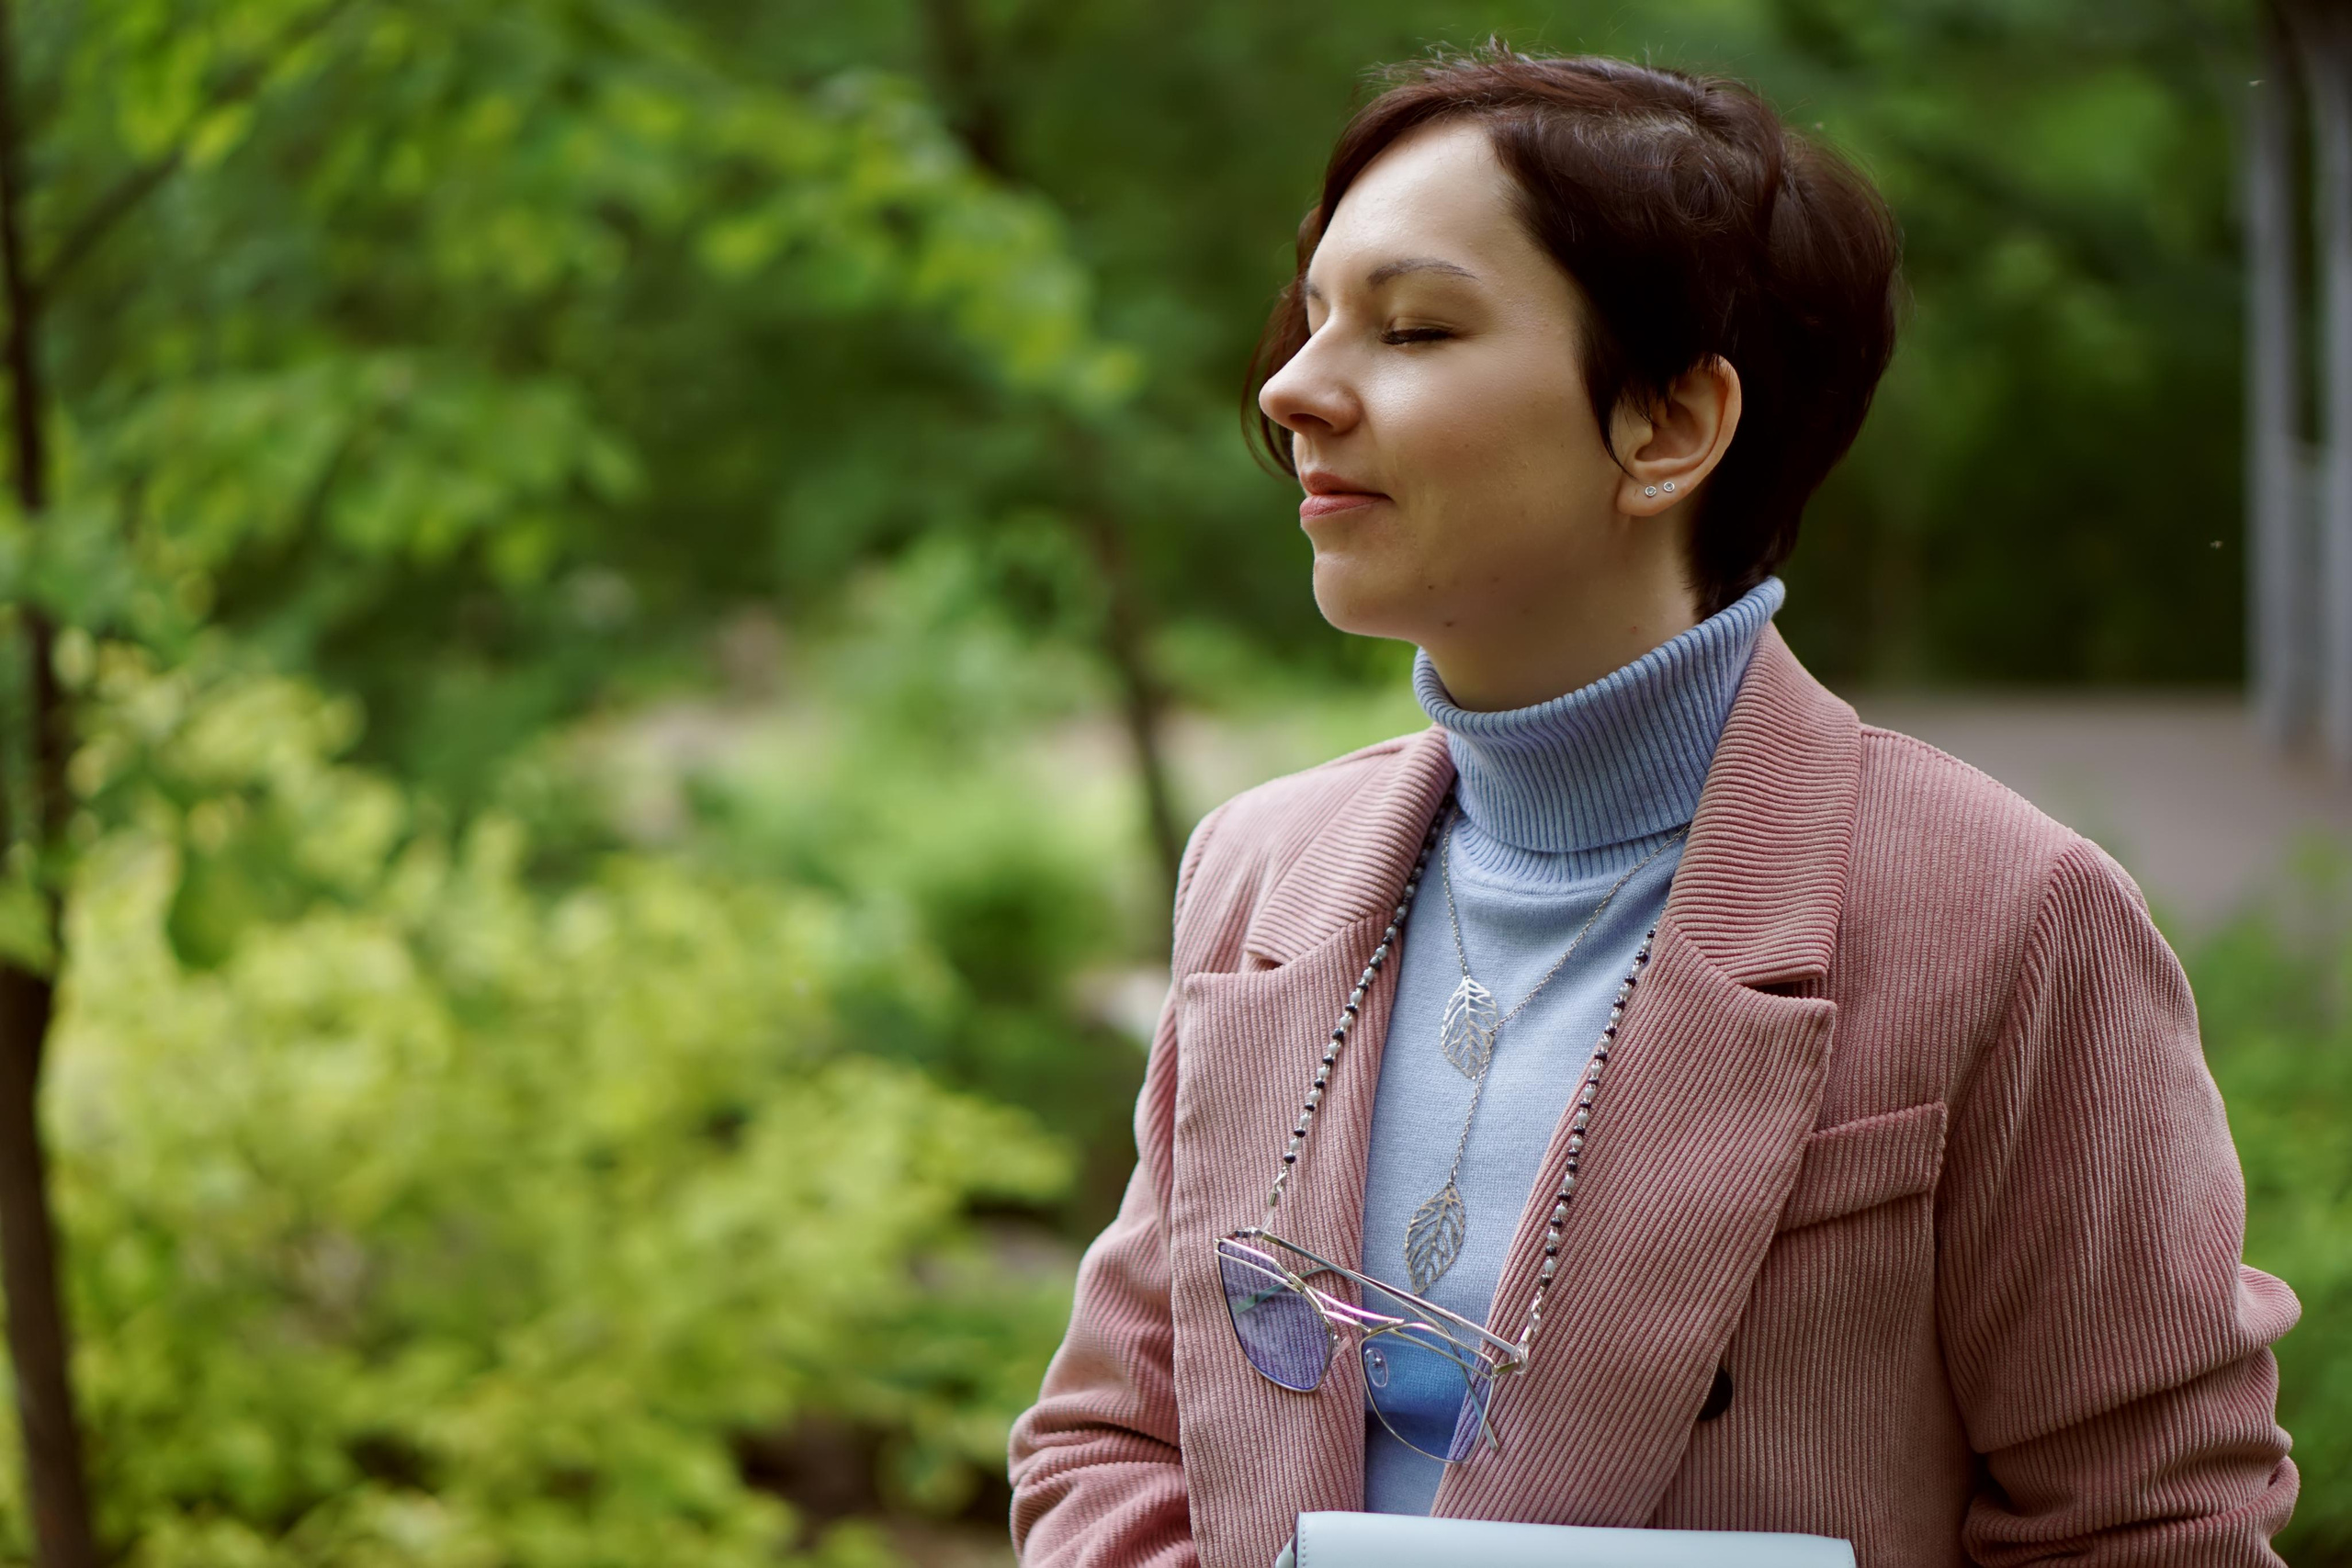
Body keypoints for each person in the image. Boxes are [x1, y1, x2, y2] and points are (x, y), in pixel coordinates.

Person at [1006, 47, 2299, 1568]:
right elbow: (1111, 1435)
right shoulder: (1258, 867)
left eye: (1413, 326)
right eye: (1311, 321)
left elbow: (2156, 1528)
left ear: (1669, 426)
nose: (1292, 389)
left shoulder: (2008, 917)